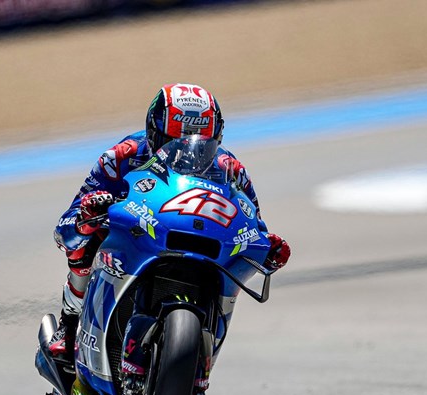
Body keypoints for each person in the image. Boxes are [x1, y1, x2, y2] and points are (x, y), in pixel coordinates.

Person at [49, 83, 291, 362]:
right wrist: (86, 218)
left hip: (197, 248)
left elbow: (253, 224)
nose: (188, 151)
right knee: (85, 240)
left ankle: (200, 354)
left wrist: (268, 249)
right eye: (176, 139)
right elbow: (66, 225)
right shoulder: (122, 156)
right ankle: (70, 324)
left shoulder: (230, 169)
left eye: (202, 141)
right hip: (134, 236)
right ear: (154, 132)